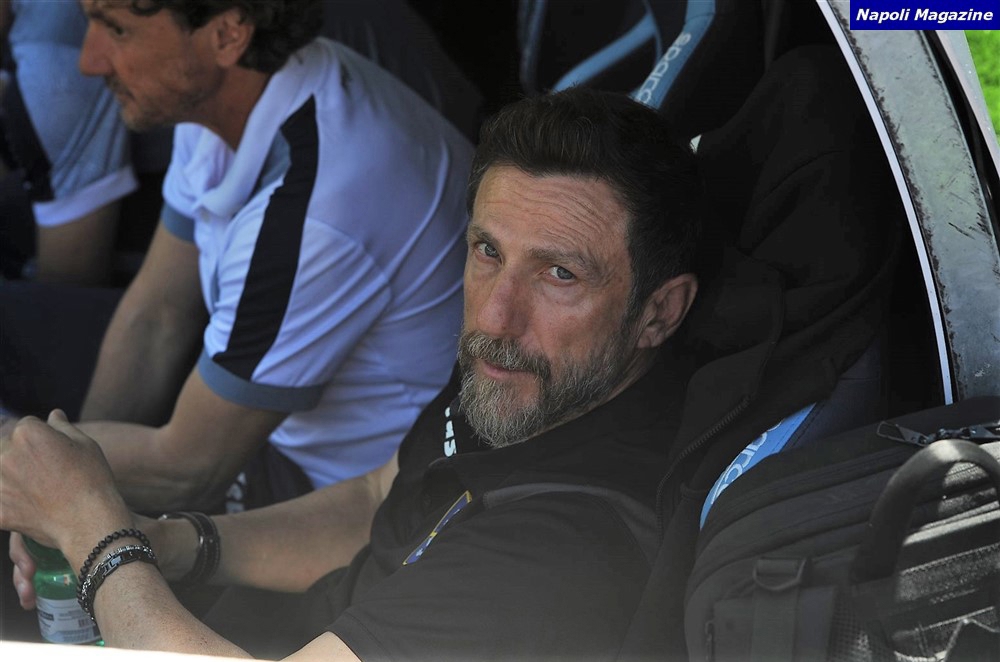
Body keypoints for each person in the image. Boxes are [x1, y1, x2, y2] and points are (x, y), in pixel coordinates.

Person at [2, 87, 703, 660]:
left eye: (560, 274)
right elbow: (380, 500)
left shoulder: (559, 554)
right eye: (488, 251)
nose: (496, 314)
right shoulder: (537, 375)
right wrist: (167, 543)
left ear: (660, 311)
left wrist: (93, 531)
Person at [1, 0, 473, 514]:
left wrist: (43, 474)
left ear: (227, 34)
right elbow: (157, 315)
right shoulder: (224, 97)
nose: (89, 61)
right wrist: (69, 457)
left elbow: (187, 472)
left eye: (117, 30)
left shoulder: (314, 211)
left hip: (342, 497)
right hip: (267, 428)